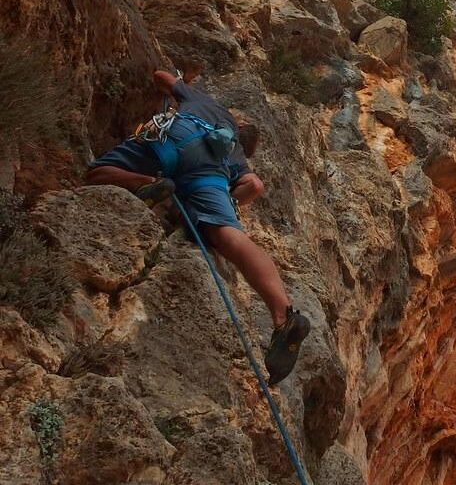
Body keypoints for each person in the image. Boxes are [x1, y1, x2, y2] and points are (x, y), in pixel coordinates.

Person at [86, 69, 310, 385]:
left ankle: (150, 183)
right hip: (211, 174)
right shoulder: (235, 153)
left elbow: (162, 77)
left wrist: (172, 81)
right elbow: (255, 186)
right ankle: (282, 315)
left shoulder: (208, 104)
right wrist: (226, 202)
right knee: (231, 237)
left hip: (176, 138)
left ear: (239, 124)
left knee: (98, 173)